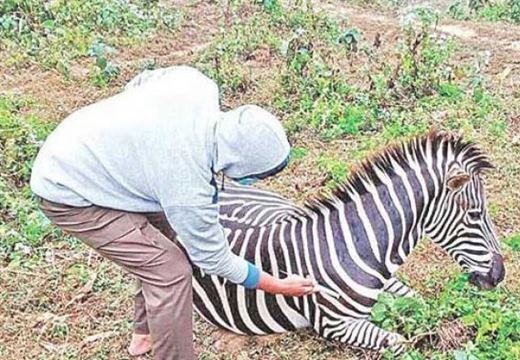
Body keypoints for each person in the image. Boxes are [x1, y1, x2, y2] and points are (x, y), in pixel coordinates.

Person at [30, 65, 317, 359]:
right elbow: (215, 259)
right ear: (239, 164)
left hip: (78, 142)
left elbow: (141, 80)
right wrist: (278, 285)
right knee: (170, 272)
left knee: (162, 234)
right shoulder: (186, 183)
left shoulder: (198, 86)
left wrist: (136, 142)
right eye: (256, 176)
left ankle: (144, 335)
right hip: (67, 191)